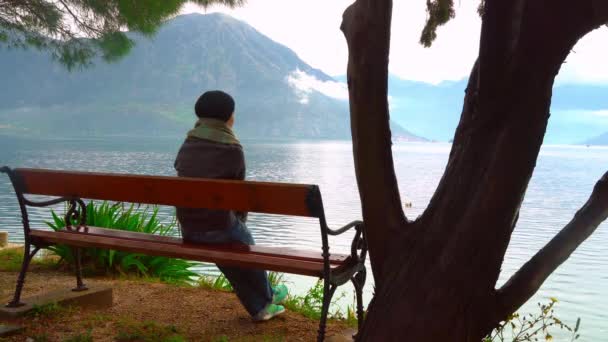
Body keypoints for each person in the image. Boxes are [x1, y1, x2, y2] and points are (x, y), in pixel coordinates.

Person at [174, 90, 287, 321]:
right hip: (219, 228)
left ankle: (261, 306)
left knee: (231, 255)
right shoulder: (232, 150)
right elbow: (239, 197)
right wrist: (239, 223)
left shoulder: (188, 144)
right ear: (229, 118)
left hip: (188, 228)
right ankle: (267, 298)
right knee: (245, 247)